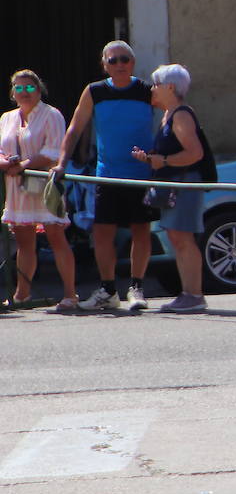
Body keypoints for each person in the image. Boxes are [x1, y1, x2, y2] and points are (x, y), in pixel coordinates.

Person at [54, 41, 157, 312]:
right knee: (102, 232)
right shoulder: (95, 92)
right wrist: (62, 163)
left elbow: (172, 118)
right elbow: (75, 128)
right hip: (107, 175)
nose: (119, 64)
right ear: (104, 65)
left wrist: (163, 158)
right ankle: (109, 289)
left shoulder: (147, 90)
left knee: (140, 230)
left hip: (141, 174)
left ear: (132, 63)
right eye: (113, 61)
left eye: (124, 59)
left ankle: (136, 288)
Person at [131, 64, 212, 313]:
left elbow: (194, 153)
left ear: (170, 87)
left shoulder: (181, 115)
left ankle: (194, 295)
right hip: (175, 184)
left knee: (184, 238)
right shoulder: (170, 114)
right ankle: (187, 293)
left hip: (184, 184)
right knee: (178, 238)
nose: (152, 88)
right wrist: (151, 159)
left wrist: (163, 161)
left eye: (156, 83)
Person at [0, 70, 77, 310]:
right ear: (13, 93)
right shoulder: (6, 118)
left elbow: (53, 150)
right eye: (19, 88)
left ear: (39, 89)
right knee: (23, 240)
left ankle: (70, 295)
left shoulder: (51, 115)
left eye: (30, 88)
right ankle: (22, 294)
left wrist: (23, 164)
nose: (25, 93)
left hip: (44, 185)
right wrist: (5, 163)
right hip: (16, 187)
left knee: (55, 235)